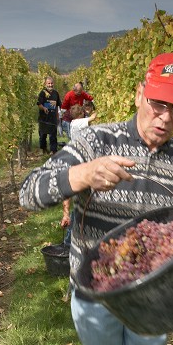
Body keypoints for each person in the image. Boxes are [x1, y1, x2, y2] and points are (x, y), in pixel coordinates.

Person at [20, 53, 173, 345]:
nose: (164, 116)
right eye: (157, 103)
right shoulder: (97, 141)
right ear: (138, 95)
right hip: (98, 297)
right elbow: (28, 192)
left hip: (155, 299)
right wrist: (82, 175)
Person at [60, 104, 97, 246]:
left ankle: (70, 241)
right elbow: (92, 118)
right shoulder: (78, 123)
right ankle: (71, 242)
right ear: (81, 113)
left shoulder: (74, 125)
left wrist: (65, 213)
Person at [37, 76, 62, 155]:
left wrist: (58, 116)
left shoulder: (56, 93)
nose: (50, 85)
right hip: (43, 119)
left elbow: (58, 105)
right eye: (49, 83)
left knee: (53, 136)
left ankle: (53, 151)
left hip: (53, 118)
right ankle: (43, 149)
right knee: (42, 135)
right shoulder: (42, 93)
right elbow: (39, 104)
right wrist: (44, 108)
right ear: (45, 84)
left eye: (51, 83)